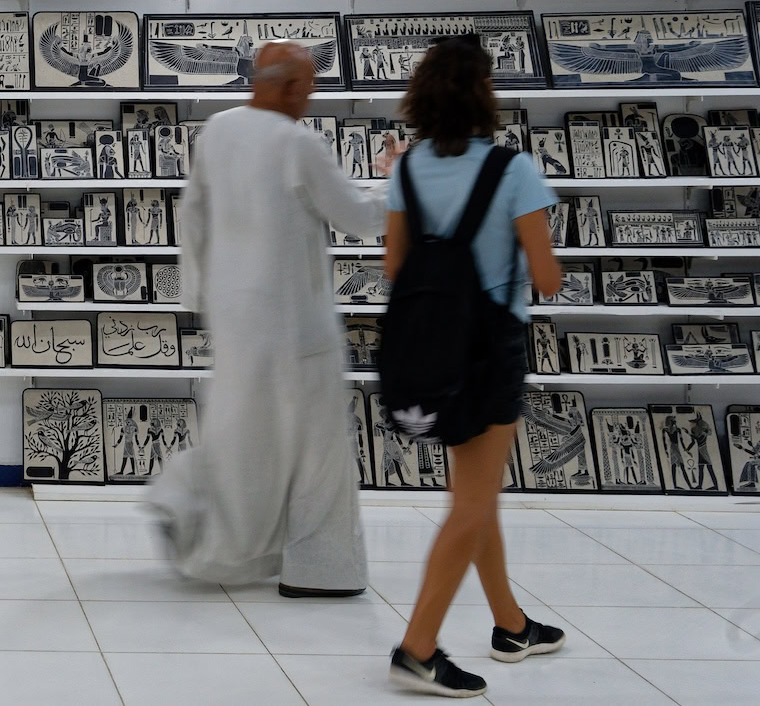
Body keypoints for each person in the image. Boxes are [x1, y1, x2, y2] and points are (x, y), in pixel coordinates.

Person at [148, 41, 387, 596]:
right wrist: (400, 184)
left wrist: (200, 299)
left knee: (243, 440)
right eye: (308, 84)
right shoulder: (296, 143)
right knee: (317, 449)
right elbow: (357, 216)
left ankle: (188, 510)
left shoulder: (220, 131)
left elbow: (194, 217)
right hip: (295, 325)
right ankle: (321, 569)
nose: (314, 93)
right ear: (284, 86)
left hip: (235, 318)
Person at [385, 36, 565, 698]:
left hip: (432, 348)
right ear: (484, 92)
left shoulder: (405, 170)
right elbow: (546, 278)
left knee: (473, 494)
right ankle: (418, 643)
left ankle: (511, 624)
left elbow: (395, 267)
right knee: (472, 502)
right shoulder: (514, 170)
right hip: (492, 347)